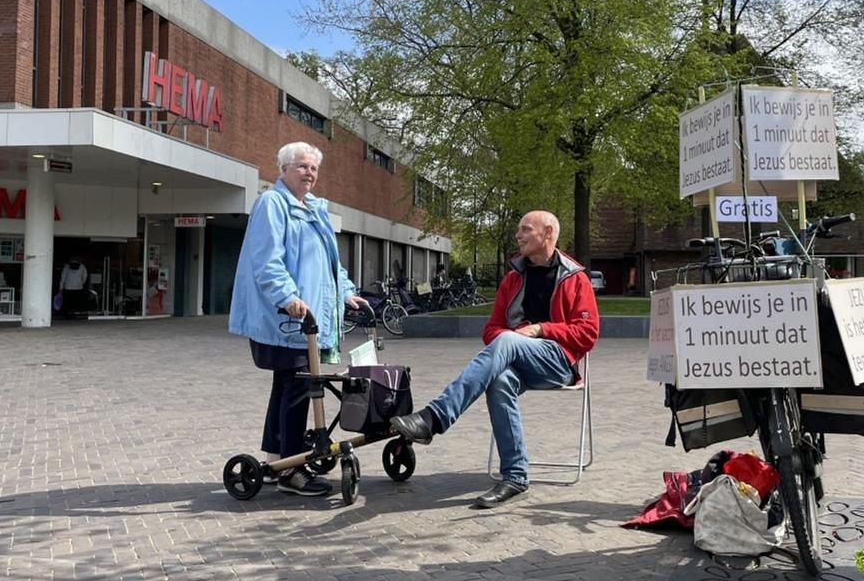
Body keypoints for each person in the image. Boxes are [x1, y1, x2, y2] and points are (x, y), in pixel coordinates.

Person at [390, 210, 599, 508]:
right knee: (499, 381)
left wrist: (539, 329)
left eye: (526, 229)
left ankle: (434, 417)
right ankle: (515, 476)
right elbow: (491, 329)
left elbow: (588, 334)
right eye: (519, 230)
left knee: (507, 340)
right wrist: (512, 340)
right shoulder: (514, 277)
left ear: (548, 233)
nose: (518, 235)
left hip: (557, 362)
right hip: (516, 357)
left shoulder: (574, 277)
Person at [228, 141, 367, 497]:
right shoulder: (273, 204)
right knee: (297, 388)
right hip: (286, 320)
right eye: (303, 166)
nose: (310, 173)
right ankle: (291, 467)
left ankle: (276, 460)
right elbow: (266, 259)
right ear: (284, 169)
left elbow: (329, 264)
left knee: (287, 386)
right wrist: (287, 297)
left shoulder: (314, 210)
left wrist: (346, 291)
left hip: (307, 322)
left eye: (314, 169)